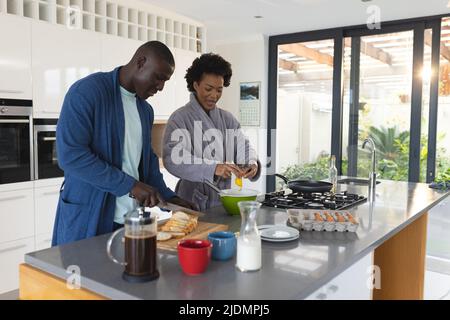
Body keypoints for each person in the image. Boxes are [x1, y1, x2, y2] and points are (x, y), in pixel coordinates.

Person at [52, 41, 195, 246]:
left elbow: (147, 164)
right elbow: (71, 156)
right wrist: (131, 186)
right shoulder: (87, 92)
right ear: (141, 62)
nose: (161, 87)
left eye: (165, 81)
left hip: (131, 222)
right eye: (158, 77)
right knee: (83, 277)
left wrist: (171, 199)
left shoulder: (145, 110)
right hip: (88, 219)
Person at [162, 53, 261, 211]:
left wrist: (251, 163)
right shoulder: (179, 118)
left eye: (219, 90)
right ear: (195, 85)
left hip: (223, 202)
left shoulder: (227, 119)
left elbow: (242, 145)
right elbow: (173, 159)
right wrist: (213, 168)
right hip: (191, 202)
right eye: (208, 89)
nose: (214, 95)